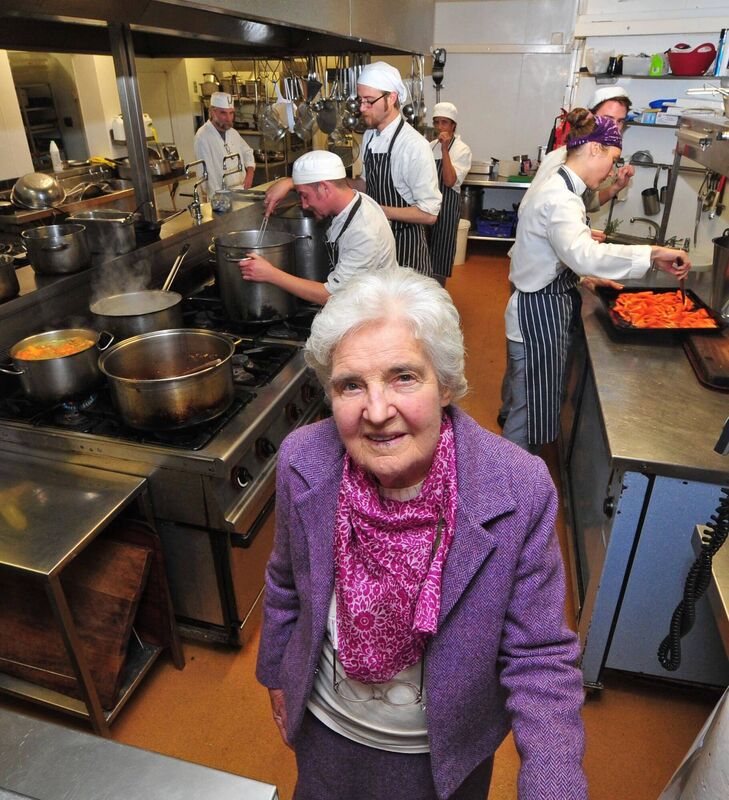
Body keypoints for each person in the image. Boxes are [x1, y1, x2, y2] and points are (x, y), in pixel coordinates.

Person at [256, 267, 588, 800]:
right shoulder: (304, 461)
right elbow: (285, 584)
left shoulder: (518, 489)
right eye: (351, 385)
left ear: (446, 384)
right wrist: (276, 674)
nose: (376, 411)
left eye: (403, 377)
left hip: (443, 761)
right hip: (324, 735)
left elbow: (540, 656)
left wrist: (554, 784)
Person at [502, 110, 691, 453]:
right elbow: (585, 256)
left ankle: (518, 476)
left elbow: (559, 247)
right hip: (536, 316)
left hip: (541, 308)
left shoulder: (563, 187)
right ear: (594, 149)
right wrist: (652, 253)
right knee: (526, 415)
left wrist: (585, 260)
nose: (613, 171)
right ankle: (507, 482)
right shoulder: (560, 198)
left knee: (529, 408)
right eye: (613, 160)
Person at [243, 151, 397, 305]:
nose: (304, 205)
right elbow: (315, 184)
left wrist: (270, 274)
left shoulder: (364, 232)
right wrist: (288, 183)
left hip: (370, 310)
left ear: (324, 188)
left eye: (305, 196)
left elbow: (332, 296)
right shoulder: (351, 200)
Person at [349, 61, 441, 275]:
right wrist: (335, 184)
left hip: (405, 248)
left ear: (391, 98)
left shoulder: (413, 145)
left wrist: (375, 210)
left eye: (369, 101)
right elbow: (366, 184)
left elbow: (429, 214)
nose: (362, 108)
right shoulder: (370, 136)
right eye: (360, 100)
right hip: (374, 244)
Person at [522, 85, 635, 212]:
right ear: (590, 118)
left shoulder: (593, 157)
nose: (614, 128)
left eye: (620, 121)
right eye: (608, 119)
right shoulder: (564, 157)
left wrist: (616, 187)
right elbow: (534, 209)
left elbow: (586, 203)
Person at [428, 102, 472, 287]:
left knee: (441, 254)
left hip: (446, 207)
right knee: (424, 252)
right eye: (436, 122)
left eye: (444, 122)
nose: (440, 127)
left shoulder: (462, 149)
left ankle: (438, 295)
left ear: (453, 125)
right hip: (428, 205)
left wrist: (445, 149)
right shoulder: (430, 146)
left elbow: (449, 181)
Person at [193, 91, 255, 195]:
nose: (228, 119)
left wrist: (250, 173)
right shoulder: (203, 137)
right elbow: (207, 176)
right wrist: (219, 199)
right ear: (213, 112)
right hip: (221, 196)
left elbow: (247, 152)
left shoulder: (232, 132)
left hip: (241, 191)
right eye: (223, 113)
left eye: (231, 113)